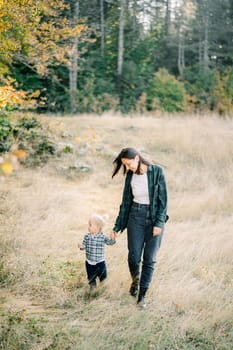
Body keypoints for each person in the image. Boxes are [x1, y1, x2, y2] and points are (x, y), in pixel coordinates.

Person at [112, 147, 168, 308]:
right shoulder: (130, 176)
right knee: (134, 257)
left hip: (154, 218)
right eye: (125, 165)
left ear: (137, 158)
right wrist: (117, 227)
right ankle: (135, 281)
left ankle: (142, 296)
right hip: (135, 216)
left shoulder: (157, 171)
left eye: (129, 164)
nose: (128, 168)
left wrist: (159, 223)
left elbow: (163, 201)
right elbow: (126, 203)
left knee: (149, 259)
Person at [78, 214, 116, 290]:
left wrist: (113, 239)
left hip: (100, 262)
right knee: (91, 278)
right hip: (89, 263)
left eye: (90, 225)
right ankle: (93, 290)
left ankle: (103, 290)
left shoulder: (103, 236)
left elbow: (110, 243)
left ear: (98, 227)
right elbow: (85, 245)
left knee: (103, 278)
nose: (88, 227)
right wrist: (82, 246)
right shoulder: (87, 236)